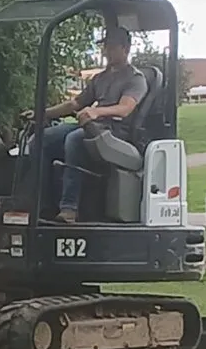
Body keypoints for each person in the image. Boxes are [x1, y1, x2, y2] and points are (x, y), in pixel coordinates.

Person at [29, 26, 148, 223]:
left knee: (74, 139)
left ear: (125, 48)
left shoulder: (135, 78)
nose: (106, 51)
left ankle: (69, 208)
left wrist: (96, 111)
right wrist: (40, 113)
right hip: (93, 127)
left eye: (111, 46)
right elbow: (75, 104)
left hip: (116, 132)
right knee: (42, 138)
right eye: (105, 46)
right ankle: (42, 203)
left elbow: (124, 108)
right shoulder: (100, 78)